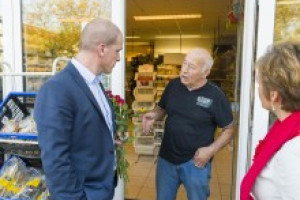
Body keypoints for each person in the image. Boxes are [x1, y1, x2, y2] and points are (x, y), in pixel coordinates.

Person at [34, 18, 123, 200]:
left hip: (103, 188)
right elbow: (55, 158)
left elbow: (85, 130)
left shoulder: (95, 83)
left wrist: (108, 139)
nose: (119, 58)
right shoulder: (57, 89)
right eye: (118, 51)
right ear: (102, 49)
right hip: (84, 193)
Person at [142, 48, 235, 200]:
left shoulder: (215, 96)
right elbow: (162, 108)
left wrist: (210, 151)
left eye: (191, 67)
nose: (184, 70)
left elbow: (229, 129)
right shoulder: (173, 86)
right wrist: (154, 115)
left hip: (196, 163)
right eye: (184, 64)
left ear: (206, 73)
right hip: (166, 160)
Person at [240, 41, 300, 199]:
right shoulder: (286, 128)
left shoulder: (293, 152)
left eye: (259, 83)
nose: (258, 88)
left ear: (274, 95)